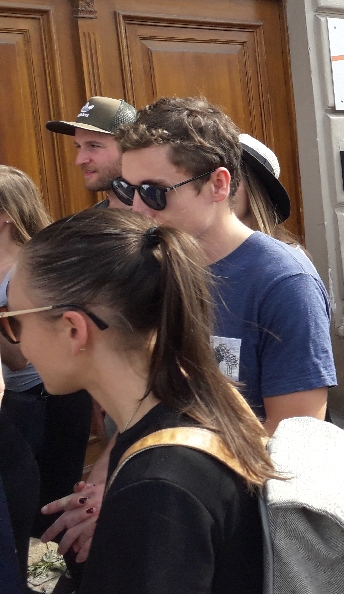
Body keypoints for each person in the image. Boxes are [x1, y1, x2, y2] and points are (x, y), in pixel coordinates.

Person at [40, 98, 337, 572]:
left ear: (218, 184)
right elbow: (144, 402)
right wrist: (105, 484)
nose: (137, 208)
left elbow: (293, 441)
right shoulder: (152, 267)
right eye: (127, 189)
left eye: (155, 193)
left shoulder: (283, 282)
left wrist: (157, 504)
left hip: (232, 527)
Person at [6, 209, 273, 593]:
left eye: (14, 321)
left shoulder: (157, 490)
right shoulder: (200, 399)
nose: (18, 343)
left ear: (73, 329)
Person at [0, 167, 92, 541]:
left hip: (45, 400)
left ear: (5, 214)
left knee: (46, 511)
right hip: (19, 400)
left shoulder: (30, 270)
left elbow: (20, 358)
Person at [45, 96, 139, 209]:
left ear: (130, 148)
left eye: (94, 146)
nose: (79, 160)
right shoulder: (87, 221)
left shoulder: (160, 219)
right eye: (78, 146)